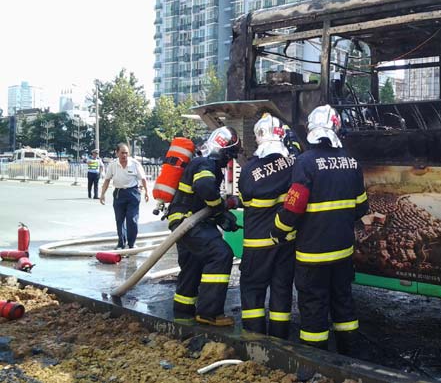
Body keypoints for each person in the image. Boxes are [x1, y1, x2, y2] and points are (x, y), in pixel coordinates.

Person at [271, 104, 368, 354]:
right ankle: (349, 356)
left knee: (314, 307)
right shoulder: (352, 162)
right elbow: (361, 207)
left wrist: (277, 231)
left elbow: (293, 208)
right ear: (336, 128)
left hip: (312, 255)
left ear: (312, 130)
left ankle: (316, 363)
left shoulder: (305, 163)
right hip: (343, 253)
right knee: (343, 304)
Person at [166, 126, 240, 326]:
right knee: (221, 254)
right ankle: (209, 313)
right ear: (224, 151)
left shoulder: (199, 161)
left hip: (183, 220)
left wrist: (218, 216)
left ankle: (183, 311)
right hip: (188, 221)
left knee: (193, 264)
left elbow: (198, 199)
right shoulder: (206, 163)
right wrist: (222, 208)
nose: (228, 160)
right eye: (230, 155)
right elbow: (204, 187)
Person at [237, 113, 302, 339]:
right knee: (281, 290)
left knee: (253, 292)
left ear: (258, 138)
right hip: (285, 242)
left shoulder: (248, 171)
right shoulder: (294, 163)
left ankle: (254, 339)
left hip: (256, 245)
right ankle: (279, 340)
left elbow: (245, 201)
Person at [99, 143, 149, 249]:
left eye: (126, 153)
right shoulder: (113, 165)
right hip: (119, 194)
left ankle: (132, 243)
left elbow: (143, 179)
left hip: (133, 193)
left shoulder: (135, 164)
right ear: (117, 153)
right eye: (122, 153)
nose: (124, 155)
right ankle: (121, 242)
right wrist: (102, 194)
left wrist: (147, 192)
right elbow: (107, 180)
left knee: (132, 219)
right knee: (119, 219)